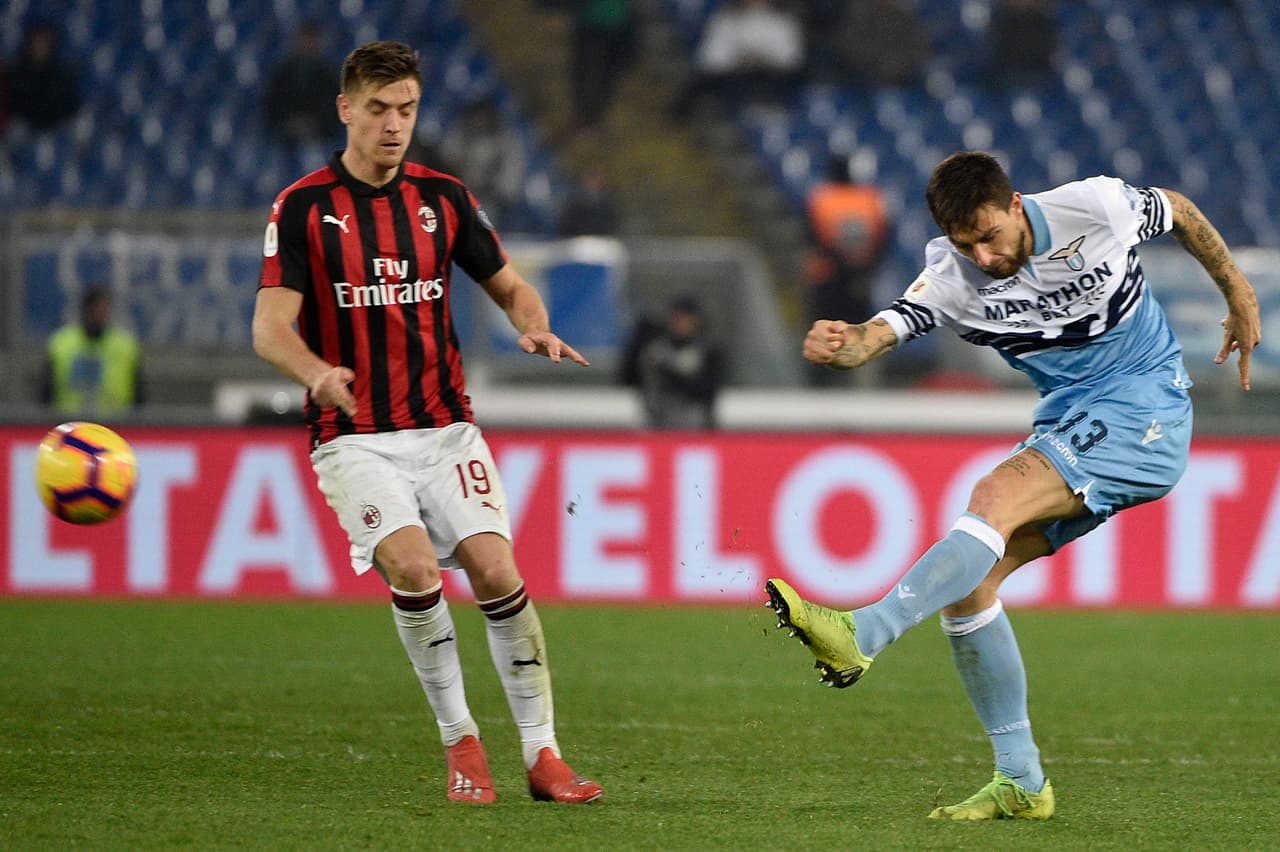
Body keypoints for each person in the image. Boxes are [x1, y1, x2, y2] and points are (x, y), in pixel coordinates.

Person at [766, 151, 1261, 820]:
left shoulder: (1095, 207)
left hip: (1146, 407)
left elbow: (1178, 209)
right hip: (1070, 418)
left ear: (1017, 205)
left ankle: (862, 633)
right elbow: (884, 331)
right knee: (969, 585)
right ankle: (1022, 780)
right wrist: (846, 341)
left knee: (992, 499)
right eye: (968, 244)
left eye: (991, 236)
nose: (987, 257)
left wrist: (1236, 288)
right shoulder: (952, 274)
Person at [252, 41, 602, 805]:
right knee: (412, 569)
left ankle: (544, 759)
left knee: (499, 574)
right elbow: (269, 328)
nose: (393, 124)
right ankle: (462, 745)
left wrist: (532, 323)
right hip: (353, 434)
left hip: (444, 428)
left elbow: (512, 287)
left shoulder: (443, 199)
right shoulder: (304, 208)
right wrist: (316, 373)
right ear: (346, 109)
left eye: (406, 109)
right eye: (378, 109)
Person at [670, 0, 805, 119]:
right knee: (701, 82)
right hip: (732, 77)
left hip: (770, 77)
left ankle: (768, 110)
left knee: (769, 78)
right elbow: (709, 60)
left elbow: (791, 59)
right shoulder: (725, 20)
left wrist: (761, 59)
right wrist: (739, 60)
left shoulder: (782, 22)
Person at [620, 295, 724, 429]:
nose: (679, 322)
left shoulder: (707, 351)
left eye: (684, 318)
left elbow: (705, 390)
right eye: (676, 317)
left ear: (696, 320)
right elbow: (629, 379)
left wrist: (667, 370)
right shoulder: (656, 348)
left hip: (695, 428)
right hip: (657, 424)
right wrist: (637, 343)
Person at [41, 285, 144, 416]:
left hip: (115, 423)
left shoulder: (125, 346)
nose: (101, 314)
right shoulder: (61, 344)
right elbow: (46, 392)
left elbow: (139, 394)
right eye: (96, 308)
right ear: (85, 309)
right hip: (70, 422)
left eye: (104, 309)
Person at [263, 21, 341, 157]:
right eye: (304, 39)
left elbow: (334, 108)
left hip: (322, 137)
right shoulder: (282, 73)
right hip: (285, 139)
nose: (307, 44)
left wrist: (314, 126)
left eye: (311, 40)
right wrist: (290, 124)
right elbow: (272, 106)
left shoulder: (329, 76)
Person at [5, 22, 81, 132]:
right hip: (22, 129)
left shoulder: (63, 76)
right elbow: (12, 107)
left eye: (46, 43)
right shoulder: (15, 75)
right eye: (38, 42)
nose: (42, 47)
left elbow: (68, 107)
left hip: (55, 128)